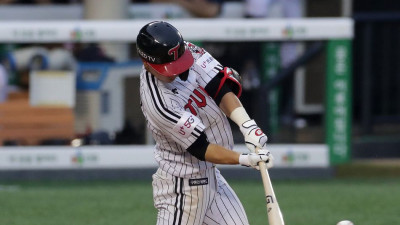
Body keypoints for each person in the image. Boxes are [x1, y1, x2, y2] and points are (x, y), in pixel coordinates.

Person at [137, 21, 273, 225]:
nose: (174, 71)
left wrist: (247, 125)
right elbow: (201, 148)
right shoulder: (158, 102)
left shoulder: (185, 51)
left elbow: (218, 85)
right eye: (168, 68)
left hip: (210, 176)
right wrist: (245, 159)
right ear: (146, 63)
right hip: (181, 186)